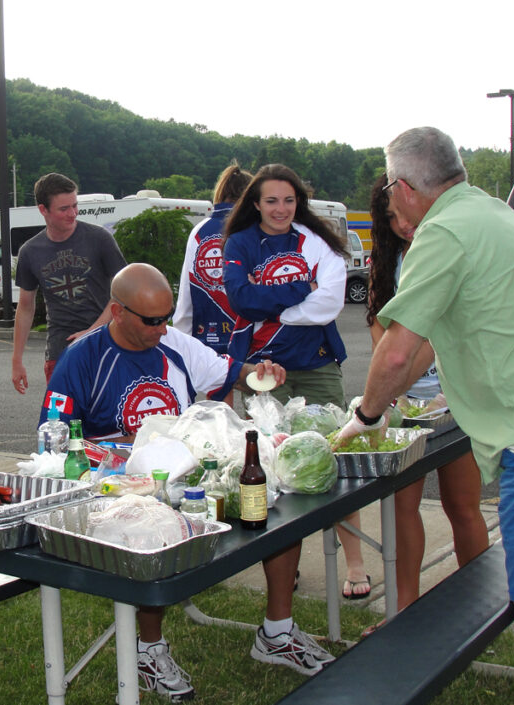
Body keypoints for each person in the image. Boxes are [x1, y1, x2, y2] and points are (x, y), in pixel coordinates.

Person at [334, 126, 514, 705]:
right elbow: (431, 337)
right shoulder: (486, 211)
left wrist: (368, 414)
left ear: (402, 187)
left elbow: (399, 349)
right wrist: (381, 403)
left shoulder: (444, 231)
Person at [43, 262, 334, 700]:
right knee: (149, 525)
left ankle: (276, 632)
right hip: (124, 485)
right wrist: (134, 443)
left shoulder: (173, 343)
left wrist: (261, 372)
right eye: (151, 320)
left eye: (165, 317)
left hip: (187, 472)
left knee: (269, 499)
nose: (162, 329)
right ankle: (148, 649)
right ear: (117, 312)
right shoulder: (82, 360)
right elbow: (54, 440)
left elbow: (229, 370)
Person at [221, 164, 372, 601]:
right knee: (276, 471)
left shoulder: (317, 241)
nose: (281, 209)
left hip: (318, 364)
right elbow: (240, 299)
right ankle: (286, 568)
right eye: (271, 200)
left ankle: (356, 563)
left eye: (289, 200)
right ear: (255, 203)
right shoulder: (240, 242)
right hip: (263, 370)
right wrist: (301, 286)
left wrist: (276, 308)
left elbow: (328, 304)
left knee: (335, 463)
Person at [363, 172, 489, 623]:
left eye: (403, 212)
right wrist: (389, 399)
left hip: (456, 403)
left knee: (462, 505)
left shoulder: (450, 246)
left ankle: (479, 608)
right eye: (391, 217)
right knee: (402, 508)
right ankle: (404, 609)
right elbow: (384, 340)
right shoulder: (387, 261)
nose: (402, 224)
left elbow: (449, 331)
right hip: (403, 407)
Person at [11, 172, 127, 394]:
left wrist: (91, 332)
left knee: (107, 420)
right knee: (63, 419)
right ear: (43, 210)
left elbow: (123, 291)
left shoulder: (99, 238)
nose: (72, 213)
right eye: (64, 209)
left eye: (75, 205)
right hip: (60, 349)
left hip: (105, 343)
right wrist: (17, 360)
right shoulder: (30, 251)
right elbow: (25, 306)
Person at [173, 163, 252, 403]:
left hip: (209, 337)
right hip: (251, 334)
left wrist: (181, 335)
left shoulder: (199, 231)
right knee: (259, 410)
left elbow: (188, 290)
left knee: (220, 418)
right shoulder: (255, 229)